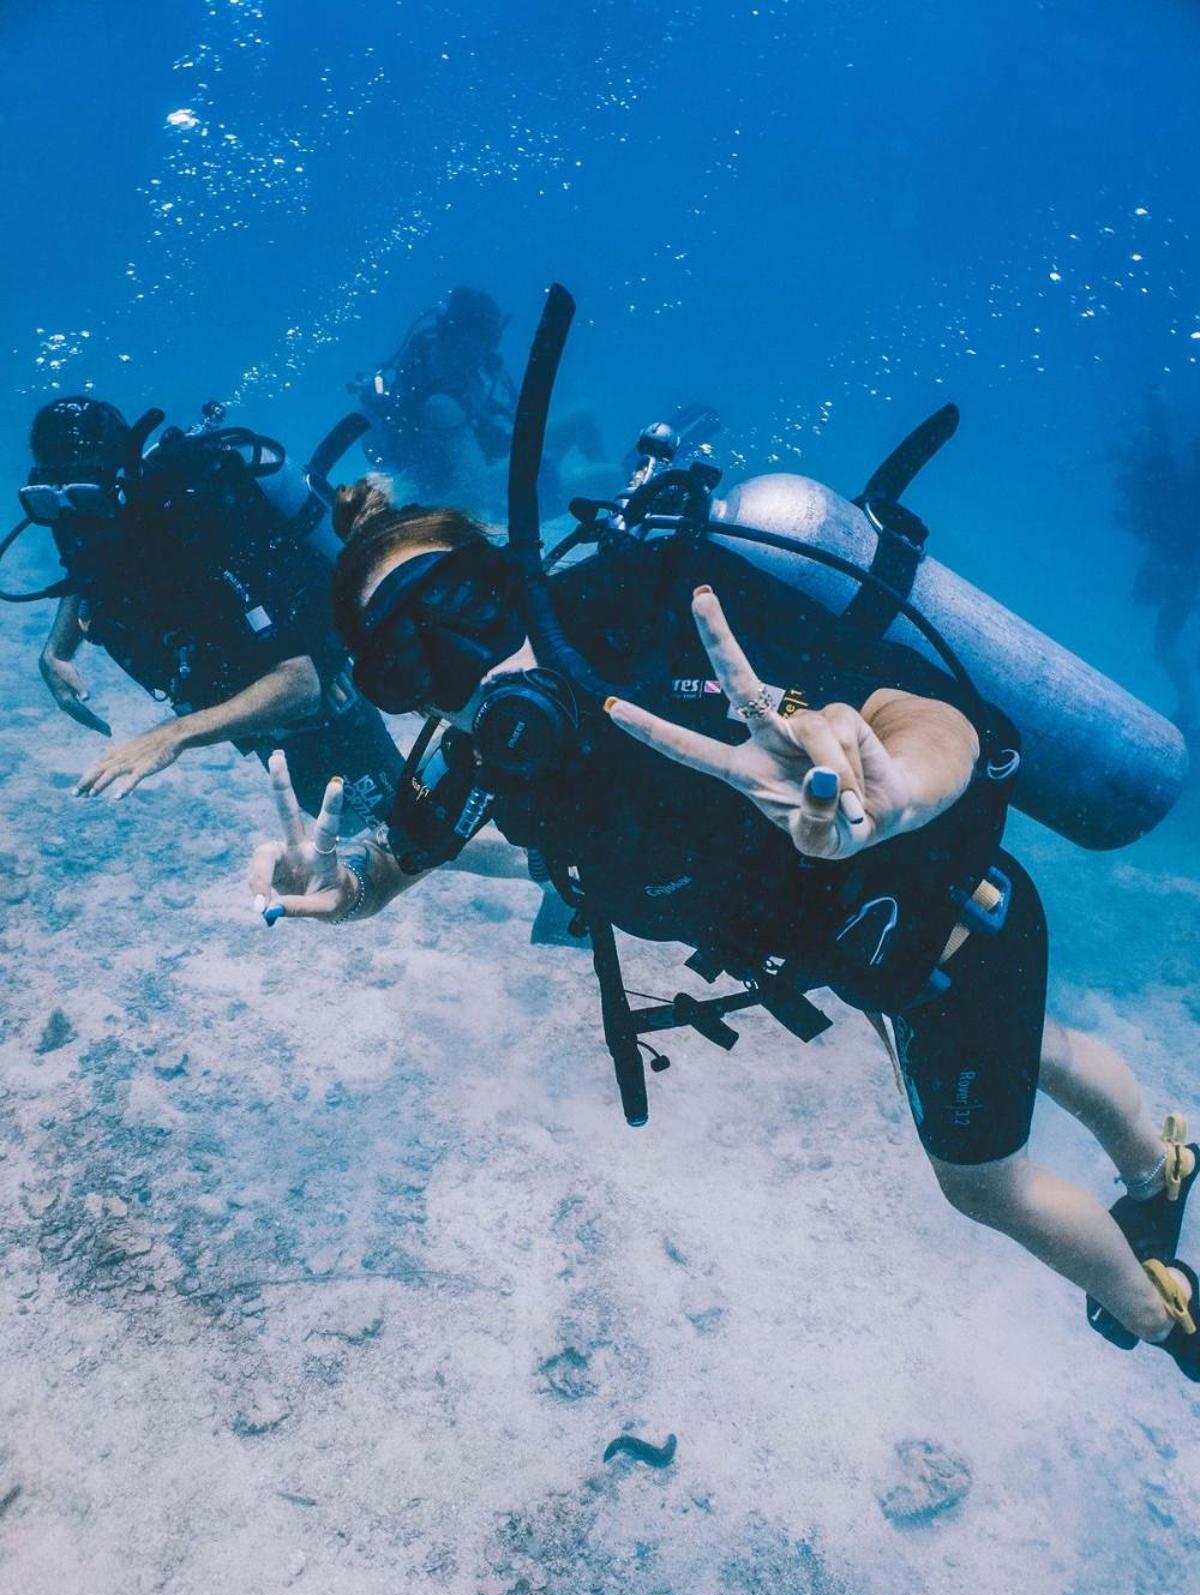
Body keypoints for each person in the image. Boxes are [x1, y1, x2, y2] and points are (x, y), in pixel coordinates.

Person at [248, 473, 1200, 1384]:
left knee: (982, 1183)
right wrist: (343, 885)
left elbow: (883, 709)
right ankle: (1161, 1170)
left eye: (465, 605)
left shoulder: (658, 620)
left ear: (515, 578)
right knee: (1038, 1047)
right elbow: (395, 862)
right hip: (880, 963)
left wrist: (899, 783)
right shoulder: (480, 758)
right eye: (406, 657)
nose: (460, 662)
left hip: (954, 931)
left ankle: (1166, 1317)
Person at [23, 395, 405, 828]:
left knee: (400, 828)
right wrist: (56, 651)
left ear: (121, 479)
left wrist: (173, 736)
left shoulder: (197, 528)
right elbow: (86, 573)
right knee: (342, 820)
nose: (72, 518)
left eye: (85, 498)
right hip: (242, 706)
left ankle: (472, 761)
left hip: (311, 702)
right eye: (50, 500)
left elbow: (300, 684)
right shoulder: (81, 513)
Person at [354, 287, 608, 511]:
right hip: (463, 498)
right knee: (608, 477)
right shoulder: (439, 403)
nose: (490, 347)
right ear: (457, 333)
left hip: (489, 466)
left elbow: (504, 425)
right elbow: (476, 487)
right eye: (485, 336)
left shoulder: (464, 370)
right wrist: (535, 470)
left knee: (584, 417)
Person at [1113, 397, 1200, 739]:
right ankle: (1189, 707)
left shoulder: (1183, 487)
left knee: (1163, 645)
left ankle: (1189, 707)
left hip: (1180, 568)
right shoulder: (1181, 486)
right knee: (1162, 646)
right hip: (1177, 566)